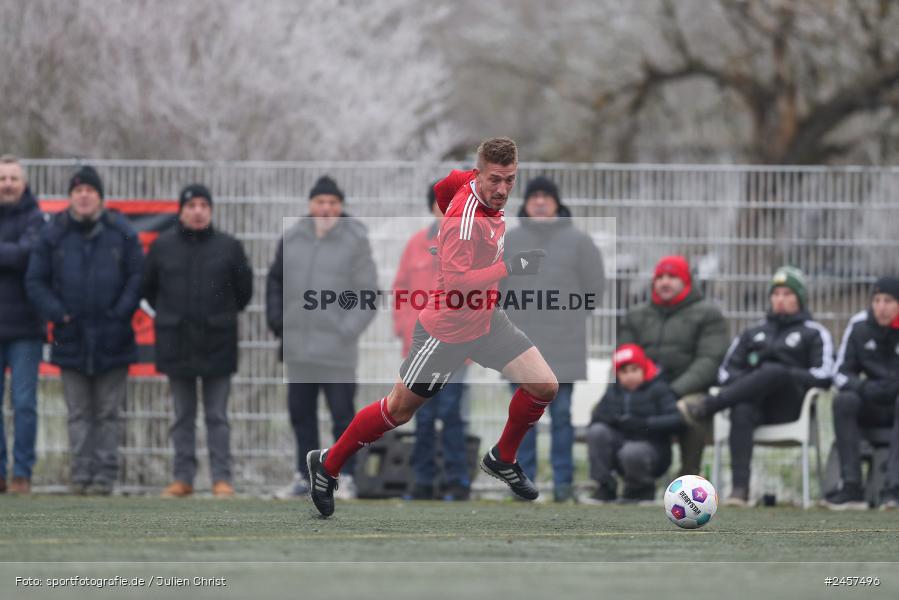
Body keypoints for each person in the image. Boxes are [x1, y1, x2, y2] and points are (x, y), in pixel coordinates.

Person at [305, 137, 558, 518]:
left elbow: (444, 188)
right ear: (482, 173)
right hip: (447, 332)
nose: (503, 189)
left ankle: (502, 457)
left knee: (544, 385)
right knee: (398, 410)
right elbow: (456, 284)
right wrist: (510, 266)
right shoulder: (463, 220)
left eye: (510, 179)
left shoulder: (467, 181)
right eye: (496, 180)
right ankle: (328, 465)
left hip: (487, 320)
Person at [26, 166, 143, 495]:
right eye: (78, 190)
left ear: (100, 196)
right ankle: (80, 475)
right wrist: (59, 316)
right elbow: (35, 281)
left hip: (114, 337)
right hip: (70, 336)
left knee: (107, 412)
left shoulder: (121, 231)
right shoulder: (53, 234)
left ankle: (104, 477)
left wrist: (120, 314)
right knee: (78, 413)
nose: (84, 195)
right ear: (70, 197)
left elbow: (138, 277)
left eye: (90, 190)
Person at [267, 176, 378, 500]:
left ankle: (345, 477)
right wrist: (278, 322)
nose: (326, 208)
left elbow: (368, 293)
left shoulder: (355, 239)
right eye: (320, 202)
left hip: (336, 350)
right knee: (301, 415)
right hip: (298, 347)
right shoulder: (292, 238)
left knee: (344, 417)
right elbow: (274, 282)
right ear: (310, 205)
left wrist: (346, 330)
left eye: (332, 202)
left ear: (340, 206)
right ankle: (305, 476)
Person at [687, 266, 834, 505]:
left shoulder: (814, 333)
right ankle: (739, 491)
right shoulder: (752, 332)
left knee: (774, 371)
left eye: (787, 294)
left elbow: (825, 375)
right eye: (776, 294)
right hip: (754, 407)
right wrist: (753, 381)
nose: (780, 300)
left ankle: (711, 405)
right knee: (742, 406)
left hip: (791, 407)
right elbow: (725, 372)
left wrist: (787, 374)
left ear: (800, 298)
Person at [142, 184, 253, 498]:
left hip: (218, 342)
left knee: (217, 415)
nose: (198, 210)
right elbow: (148, 288)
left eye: (204, 204)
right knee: (182, 416)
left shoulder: (230, 246)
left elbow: (244, 292)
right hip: (176, 342)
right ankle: (183, 478)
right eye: (192, 205)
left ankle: (222, 479)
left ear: (211, 209)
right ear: (181, 210)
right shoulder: (162, 246)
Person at [501, 175, 605, 502]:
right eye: (535, 196)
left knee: (562, 418)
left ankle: (563, 485)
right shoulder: (509, 240)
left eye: (548, 196)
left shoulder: (579, 241)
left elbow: (595, 288)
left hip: (565, 345)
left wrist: (569, 317)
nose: (541, 201)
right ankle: (522, 484)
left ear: (558, 203)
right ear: (526, 203)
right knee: (521, 419)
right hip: (519, 346)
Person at [392, 183, 470, 501]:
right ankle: (422, 482)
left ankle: (457, 483)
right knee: (421, 416)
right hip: (420, 350)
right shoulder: (415, 245)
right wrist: (403, 329)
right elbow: (400, 292)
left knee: (451, 416)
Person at [618, 255, 729, 477]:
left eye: (672, 277)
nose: (665, 282)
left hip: (688, 392)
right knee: (607, 414)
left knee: (688, 410)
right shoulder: (636, 315)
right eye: (660, 277)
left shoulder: (708, 314)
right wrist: (646, 391)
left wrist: (672, 391)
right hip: (644, 390)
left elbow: (709, 360)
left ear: (686, 281)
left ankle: (688, 477)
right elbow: (625, 357)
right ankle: (623, 482)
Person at [826, 277, 899, 510]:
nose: (881, 306)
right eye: (876, 300)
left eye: (888, 300)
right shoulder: (859, 326)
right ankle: (851, 487)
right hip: (871, 402)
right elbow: (840, 373)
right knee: (844, 400)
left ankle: (893, 490)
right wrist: (864, 388)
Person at [585, 344, 684, 502]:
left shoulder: (659, 388)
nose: (629, 376)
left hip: (652, 450)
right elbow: (596, 419)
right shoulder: (613, 391)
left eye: (634, 370)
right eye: (624, 372)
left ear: (643, 368)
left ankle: (640, 489)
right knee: (597, 432)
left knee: (632, 452)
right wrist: (613, 419)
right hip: (619, 447)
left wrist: (644, 423)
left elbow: (676, 420)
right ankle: (604, 486)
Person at [0, 156, 45, 495]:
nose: (7, 184)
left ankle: (23, 473)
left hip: (26, 329)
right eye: (2, 178)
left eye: (13, 178)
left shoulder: (36, 218)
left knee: (25, 402)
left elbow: (28, 255)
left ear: (24, 183)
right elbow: (15, 255)